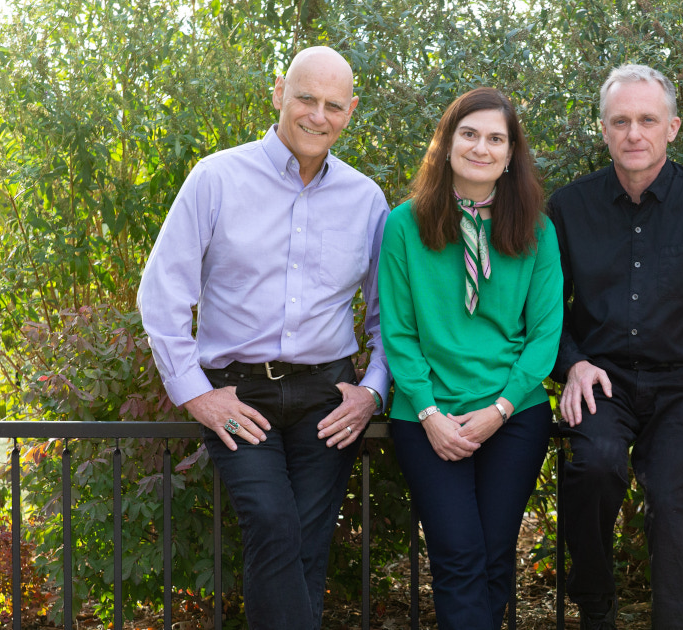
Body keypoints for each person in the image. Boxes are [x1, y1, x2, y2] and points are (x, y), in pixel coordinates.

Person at [136, 46, 390, 630]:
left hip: (330, 399)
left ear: (350, 111)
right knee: (274, 526)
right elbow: (163, 292)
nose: (317, 115)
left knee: (307, 543)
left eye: (332, 105)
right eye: (305, 98)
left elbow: (387, 318)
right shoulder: (217, 178)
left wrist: (372, 390)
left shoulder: (367, 200)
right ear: (278, 93)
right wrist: (196, 393)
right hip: (238, 395)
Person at [548, 64, 683, 629]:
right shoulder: (568, 209)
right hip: (601, 381)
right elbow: (544, 313)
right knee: (595, 467)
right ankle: (595, 601)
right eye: (620, 121)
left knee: (674, 507)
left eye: (647, 120)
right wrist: (571, 365)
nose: (634, 133)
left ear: (672, 127)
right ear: (603, 130)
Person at [378, 87, 563, 629]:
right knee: (457, 554)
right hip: (427, 415)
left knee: (494, 557)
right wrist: (431, 414)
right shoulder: (403, 226)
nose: (481, 147)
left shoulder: (537, 231)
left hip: (514, 413)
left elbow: (545, 334)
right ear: (447, 143)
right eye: (469, 134)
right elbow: (400, 332)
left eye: (495, 138)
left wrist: (500, 409)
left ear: (510, 156)